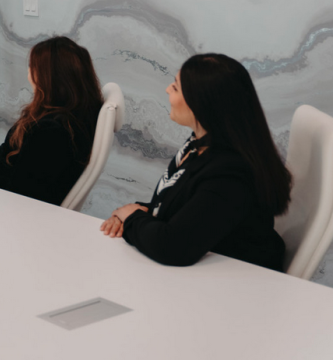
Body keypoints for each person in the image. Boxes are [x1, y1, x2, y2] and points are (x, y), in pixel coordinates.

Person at [100, 54, 291, 270]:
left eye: (175, 87)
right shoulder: (198, 146)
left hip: (237, 287)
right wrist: (129, 217)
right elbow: (184, 208)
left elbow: (173, 246)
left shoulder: (230, 173)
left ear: (200, 103)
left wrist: (132, 219)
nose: (167, 90)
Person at [0, 37, 103, 205]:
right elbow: (4, 154)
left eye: (32, 67)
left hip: (7, 208)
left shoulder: (51, 133)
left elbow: (23, 193)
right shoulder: (63, 117)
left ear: (48, 77)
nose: (29, 74)